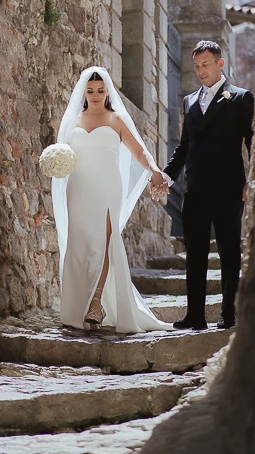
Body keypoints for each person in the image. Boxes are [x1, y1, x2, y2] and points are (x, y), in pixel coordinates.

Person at [51, 66, 174, 333]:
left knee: (104, 243)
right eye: (91, 91)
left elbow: (139, 151)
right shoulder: (73, 121)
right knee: (80, 245)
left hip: (108, 188)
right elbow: (64, 155)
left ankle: (96, 304)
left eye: (100, 91)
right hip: (78, 188)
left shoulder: (116, 119)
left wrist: (153, 170)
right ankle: (77, 307)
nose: (95, 95)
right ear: (84, 93)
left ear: (107, 92)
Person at [156, 40, 254, 330]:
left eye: (206, 65)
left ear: (220, 63)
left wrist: (253, 180)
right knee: (195, 254)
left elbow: (253, 142)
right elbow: (185, 147)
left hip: (229, 189)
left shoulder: (240, 98)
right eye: (197, 66)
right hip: (195, 190)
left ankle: (229, 313)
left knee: (229, 252)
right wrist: (166, 175)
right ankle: (195, 315)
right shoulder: (189, 101)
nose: (200, 71)